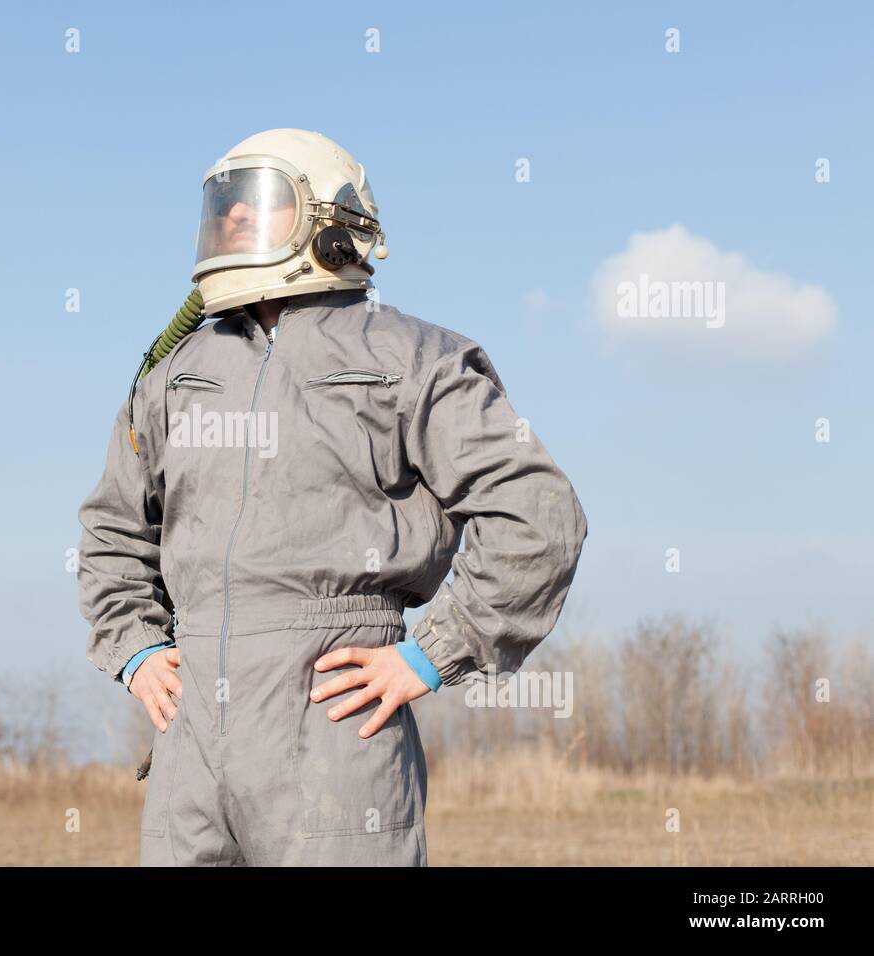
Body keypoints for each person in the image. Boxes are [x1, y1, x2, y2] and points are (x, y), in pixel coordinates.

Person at [76, 128, 587, 866]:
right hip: (190, 736)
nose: (236, 222)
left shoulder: (416, 359)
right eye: (226, 208)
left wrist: (431, 654)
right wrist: (137, 648)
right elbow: (114, 529)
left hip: (334, 718)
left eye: (260, 204)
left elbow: (538, 516)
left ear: (331, 220)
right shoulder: (174, 371)